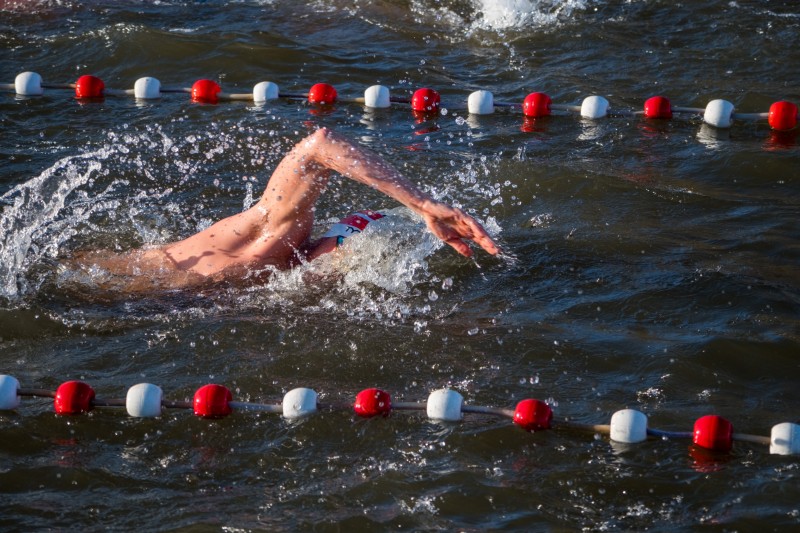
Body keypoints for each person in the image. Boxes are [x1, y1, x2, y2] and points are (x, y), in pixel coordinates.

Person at [68, 128, 500, 292]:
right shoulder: (274, 237)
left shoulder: (288, 255)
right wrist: (421, 204)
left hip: (141, 283)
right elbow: (319, 145)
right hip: (122, 286)